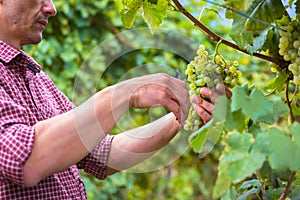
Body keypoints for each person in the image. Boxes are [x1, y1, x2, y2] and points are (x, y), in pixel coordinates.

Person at [0, 0, 215, 199]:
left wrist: (182, 113)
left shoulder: (31, 74)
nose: (51, 8)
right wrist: (124, 93)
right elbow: (24, 160)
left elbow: (104, 154)